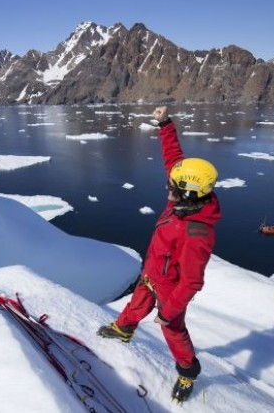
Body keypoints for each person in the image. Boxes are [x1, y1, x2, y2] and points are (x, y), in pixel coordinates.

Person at [97, 106, 221, 404]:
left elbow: (191, 282)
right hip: (153, 270)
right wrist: (164, 124)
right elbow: (175, 160)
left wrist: (168, 312)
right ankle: (124, 329)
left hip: (171, 288)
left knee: (173, 331)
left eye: (172, 188)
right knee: (137, 301)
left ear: (190, 193)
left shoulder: (197, 234)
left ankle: (188, 371)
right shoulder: (184, 200)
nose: (167, 189)